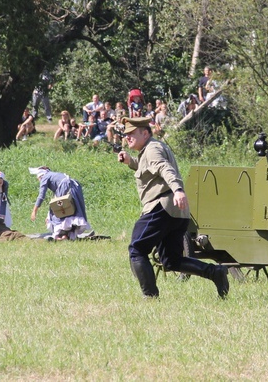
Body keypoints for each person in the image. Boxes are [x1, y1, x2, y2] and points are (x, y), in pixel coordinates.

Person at [117, 116, 229, 299]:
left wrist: (178, 189)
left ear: (145, 133)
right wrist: (131, 161)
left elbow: (164, 168)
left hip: (161, 207)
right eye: (126, 134)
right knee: (171, 260)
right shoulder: (151, 148)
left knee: (137, 249)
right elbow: (150, 168)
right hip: (177, 212)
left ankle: (150, 297)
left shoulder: (152, 150)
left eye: (131, 134)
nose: (127, 137)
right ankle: (214, 272)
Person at [30, 167, 92, 240]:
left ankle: (61, 235)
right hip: (75, 187)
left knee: (60, 211)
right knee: (71, 210)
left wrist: (34, 211)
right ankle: (66, 235)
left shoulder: (45, 177)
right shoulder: (54, 176)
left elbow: (41, 196)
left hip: (66, 186)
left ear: (40, 176)